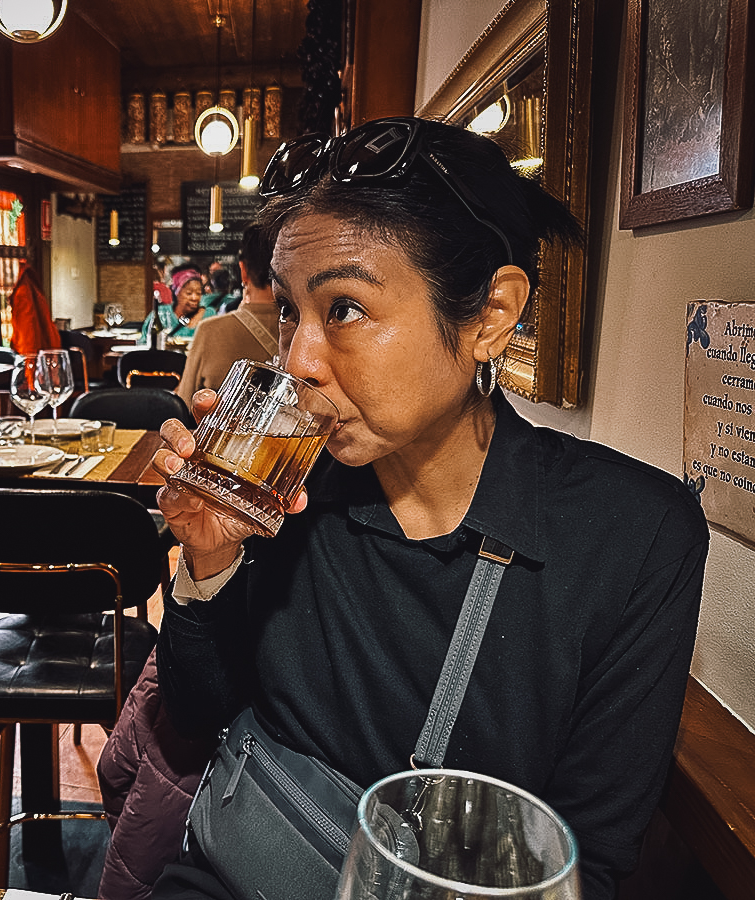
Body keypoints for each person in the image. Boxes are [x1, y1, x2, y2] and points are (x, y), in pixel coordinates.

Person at [150, 117, 708, 900]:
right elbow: (197, 716)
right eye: (289, 312)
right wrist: (208, 560)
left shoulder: (634, 537)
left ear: (491, 316)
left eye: (343, 309)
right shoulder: (290, 485)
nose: (296, 360)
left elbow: (589, 860)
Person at [175, 226, 279, 405]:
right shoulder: (310, 333)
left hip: (225, 433)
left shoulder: (210, 331)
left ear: (243, 270)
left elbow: (184, 404)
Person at [141, 268, 214, 344]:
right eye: (189, 293)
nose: (194, 298)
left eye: (198, 293)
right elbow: (145, 342)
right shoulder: (161, 314)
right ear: (177, 293)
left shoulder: (208, 315)